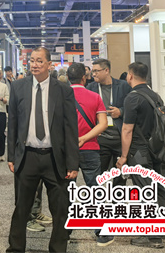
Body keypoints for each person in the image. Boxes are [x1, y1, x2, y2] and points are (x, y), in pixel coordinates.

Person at [6, 47, 78, 253]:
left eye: (39, 61)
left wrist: (73, 163)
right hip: (27, 156)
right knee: (21, 208)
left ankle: (57, 249)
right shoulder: (18, 87)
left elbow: (70, 128)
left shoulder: (63, 90)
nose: (34, 65)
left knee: (60, 209)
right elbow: (13, 124)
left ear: (49, 65)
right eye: (32, 61)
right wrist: (11, 155)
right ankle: (15, 248)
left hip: (55, 158)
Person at [116, 62, 165, 249]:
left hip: (139, 152)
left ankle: (152, 237)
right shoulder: (155, 96)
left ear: (130, 76)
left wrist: (123, 157)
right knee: (158, 188)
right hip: (156, 149)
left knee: (145, 190)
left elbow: (127, 129)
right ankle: (162, 228)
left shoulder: (132, 98)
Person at [67, 62, 113, 247]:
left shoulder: (61, 96)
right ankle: (102, 232)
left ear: (67, 78)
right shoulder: (95, 96)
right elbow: (103, 124)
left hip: (66, 150)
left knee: (66, 190)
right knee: (94, 189)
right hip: (90, 147)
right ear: (84, 78)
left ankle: (64, 231)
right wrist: (85, 138)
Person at [87, 58, 130, 176]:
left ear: (106, 70)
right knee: (97, 175)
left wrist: (121, 111)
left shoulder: (123, 86)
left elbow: (132, 107)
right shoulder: (90, 88)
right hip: (100, 137)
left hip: (119, 136)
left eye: (96, 71)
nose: (93, 74)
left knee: (120, 176)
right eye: (93, 71)